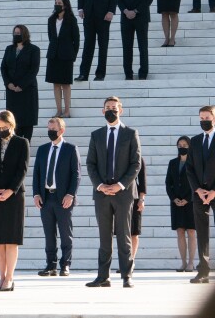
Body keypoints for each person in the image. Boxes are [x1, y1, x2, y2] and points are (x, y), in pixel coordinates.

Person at [85, 96, 142, 288]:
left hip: (124, 194)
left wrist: (120, 185)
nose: (111, 110)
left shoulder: (131, 134)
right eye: (107, 107)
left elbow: (136, 164)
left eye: (114, 108)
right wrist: (100, 185)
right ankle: (103, 276)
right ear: (102, 111)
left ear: (121, 110)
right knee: (104, 236)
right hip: (102, 193)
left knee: (124, 235)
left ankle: (127, 275)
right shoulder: (96, 135)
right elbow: (90, 164)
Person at [0, 111, 29, 292]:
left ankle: (10, 278)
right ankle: (1, 277)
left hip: (14, 197)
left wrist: (10, 191)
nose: (1, 130)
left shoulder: (21, 143)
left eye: (4, 127)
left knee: (11, 239)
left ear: (12, 125)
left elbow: (22, 170)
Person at [32, 117, 80, 277]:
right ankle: (50, 265)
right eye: (49, 128)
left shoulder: (71, 149)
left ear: (62, 130)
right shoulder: (43, 149)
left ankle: (65, 264)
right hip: (46, 198)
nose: (50, 131)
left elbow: (76, 174)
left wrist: (70, 194)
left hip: (63, 198)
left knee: (66, 233)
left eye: (53, 129)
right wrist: (36, 193)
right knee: (49, 233)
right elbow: (37, 173)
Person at [185, 106, 215, 284]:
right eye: (201, 118)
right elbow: (189, 168)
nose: (204, 120)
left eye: (207, 117)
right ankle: (203, 270)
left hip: (214, 192)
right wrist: (197, 189)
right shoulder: (195, 141)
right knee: (201, 232)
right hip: (199, 194)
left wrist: (213, 191)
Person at [118, 0, 155, 80]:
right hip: (126, 17)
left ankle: (143, 72)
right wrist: (125, 11)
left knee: (142, 46)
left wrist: (136, 11)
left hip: (141, 17)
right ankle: (128, 73)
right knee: (127, 46)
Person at [0, 25, 40, 141]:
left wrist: (21, 85)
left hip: (27, 90)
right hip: (12, 91)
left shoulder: (34, 49)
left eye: (19, 33)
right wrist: (8, 83)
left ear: (25, 34)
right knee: (13, 119)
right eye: (15, 33)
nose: (16, 35)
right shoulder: (9, 49)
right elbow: (3, 68)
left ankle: (26, 144)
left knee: (27, 121)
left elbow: (34, 70)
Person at [45, 0, 80, 118]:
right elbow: (51, 37)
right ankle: (59, 110)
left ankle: (67, 110)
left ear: (65, 5)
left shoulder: (71, 19)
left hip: (66, 56)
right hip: (53, 55)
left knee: (65, 84)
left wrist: (72, 55)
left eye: (59, 3)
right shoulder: (51, 20)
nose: (57, 5)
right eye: (55, 3)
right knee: (55, 84)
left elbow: (76, 39)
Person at [165, 136, 196, 273]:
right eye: (180, 144)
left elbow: (196, 182)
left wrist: (188, 199)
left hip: (191, 202)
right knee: (180, 231)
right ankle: (183, 263)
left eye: (185, 144)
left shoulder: (194, 163)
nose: (182, 147)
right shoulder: (172, 163)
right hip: (176, 202)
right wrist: (174, 198)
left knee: (191, 231)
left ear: (189, 146)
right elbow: (168, 183)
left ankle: (191, 263)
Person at [127, 158, 147, 263]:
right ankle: (124, 260)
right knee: (123, 232)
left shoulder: (139, 158)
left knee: (134, 232)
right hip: (120, 197)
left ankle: (131, 261)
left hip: (135, 197)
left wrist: (142, 199)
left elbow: (142, 180)